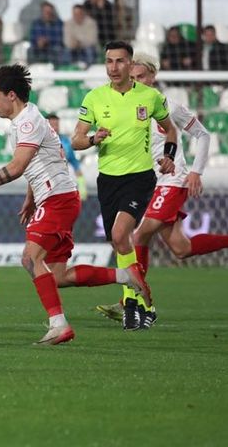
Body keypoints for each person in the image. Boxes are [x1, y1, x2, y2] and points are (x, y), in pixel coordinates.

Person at [0, 64, 148, 345]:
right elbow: (37, 164)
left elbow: (17, 167)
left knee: (30, 259)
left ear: (12, 95)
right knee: (59, 275)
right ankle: (125, 274)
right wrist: (31, 198)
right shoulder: (26, 120)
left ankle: (59, 325)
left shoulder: (28, 122)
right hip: (57, 197)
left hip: (58, 199)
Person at [96, 53, 228, 327]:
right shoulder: (127, 108)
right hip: (146, 183)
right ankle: (132, 299)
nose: (137, 81)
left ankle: (141, 302)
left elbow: (203, 135)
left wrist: (196, 171)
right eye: (133, 77)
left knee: (139, 234)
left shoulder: (169, 107)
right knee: (180, 247)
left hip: (172, 180)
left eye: (141, 76)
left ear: (153, 77)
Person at [71, 40, 178, 331]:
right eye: (109, 61)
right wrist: (93, 139)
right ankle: (147, 305)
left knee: (121, 235)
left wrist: (169, 156)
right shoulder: (95, 97)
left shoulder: (150, 97)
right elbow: (76, 140)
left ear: (130, 64)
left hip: (140, 177)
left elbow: (170, 130)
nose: (114, 67)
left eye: (119, 61)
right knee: (118, 243)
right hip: (108, 179)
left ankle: (130, 304)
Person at [47, 113, 87, 200]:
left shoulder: (65, 141)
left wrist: (81, 184)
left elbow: (74, 161)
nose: (55, 128)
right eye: (52, 125)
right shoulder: (41, 143)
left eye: (57, 125)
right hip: (46, 182)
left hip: (63, 181)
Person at [28, 1, 64, 65]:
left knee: (57, 49)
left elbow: (60, 40)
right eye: (45, 11)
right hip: (38, 48)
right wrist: (38, 43)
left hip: (53, 48)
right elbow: (32, 39)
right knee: (31, 49)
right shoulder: (36, 23)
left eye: (49, 11)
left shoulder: (59, 23)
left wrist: (47, 41)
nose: (47, 13)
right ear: (42, 11)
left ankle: (56, 68)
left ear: (52, 12)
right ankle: (32, 67)